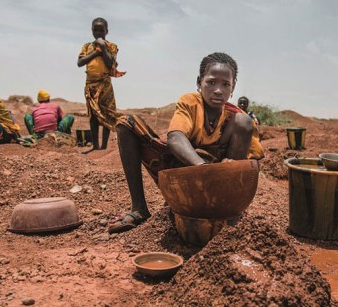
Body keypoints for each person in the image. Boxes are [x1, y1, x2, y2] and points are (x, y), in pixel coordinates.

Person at [108, 52, 263, 233]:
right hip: (180, 170)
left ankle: (227, 211)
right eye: (211, 82)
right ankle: (139, 208)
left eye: (225, 84)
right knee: (126, 123)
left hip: (217, 182)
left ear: (233, 87)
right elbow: (175, 138)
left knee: (244, 122)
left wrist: (231, 167)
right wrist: (203, 167)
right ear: (199, 82)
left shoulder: (236, 117)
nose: (218, 90)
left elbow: (253, 165)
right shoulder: (190, 102)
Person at [77, 17, 125, 152]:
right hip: (91, 84)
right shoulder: (87, 47)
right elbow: (80, 63)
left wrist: (103, 48)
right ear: (92, 31)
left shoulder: (111, 46)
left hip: (105, 84)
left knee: (107, 113)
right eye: (96, 30)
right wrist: (96, 52)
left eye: (101, 30)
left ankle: (104, 146)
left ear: (107, 31)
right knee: (93, 115)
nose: (98, 33)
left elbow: (111, 64)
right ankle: (95, 146)